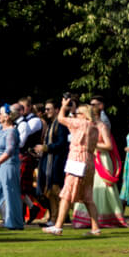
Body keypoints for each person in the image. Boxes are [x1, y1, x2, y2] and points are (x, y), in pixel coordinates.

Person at [43, 97, 102, 236]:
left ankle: (58, 226)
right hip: (89, 161)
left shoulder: (82, 124)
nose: (74, 115)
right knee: (88, 197)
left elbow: (61, 119)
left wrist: (63, 106)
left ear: (84, 115)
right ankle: (95, 228)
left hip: (77, 159)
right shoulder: (94, 127)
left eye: (77, 113)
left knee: (66, 193)